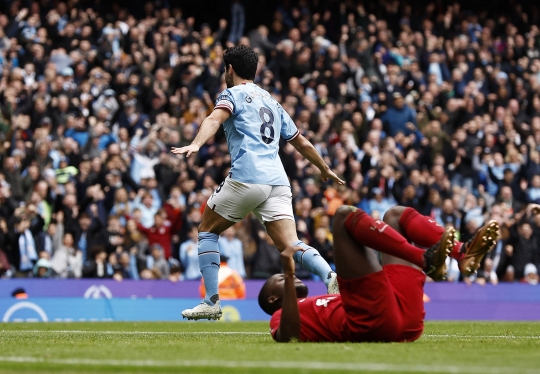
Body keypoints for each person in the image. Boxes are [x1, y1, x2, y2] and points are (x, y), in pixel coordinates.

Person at [173, 45, 344, 320]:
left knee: (207, 231)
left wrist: (195, 143)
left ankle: (211, 301)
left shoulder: (231, 94)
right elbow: (300, 141)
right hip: (277, 181)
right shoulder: (272, 101)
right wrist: (324, 168)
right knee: (291, 244)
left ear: (230, 69)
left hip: (247, 177)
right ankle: (330, 276)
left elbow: (214, 118)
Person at [258, 205, 499, 342]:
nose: (287, 276)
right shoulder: (279, 316)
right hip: (370, 322)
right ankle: (425, 259)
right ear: (272, 299)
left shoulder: (312, 301)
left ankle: (462, 252)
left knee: (394, 216)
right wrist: (288, 276)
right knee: (342, 216)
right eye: (278, 279)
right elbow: (287, 336)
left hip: (405, 320)